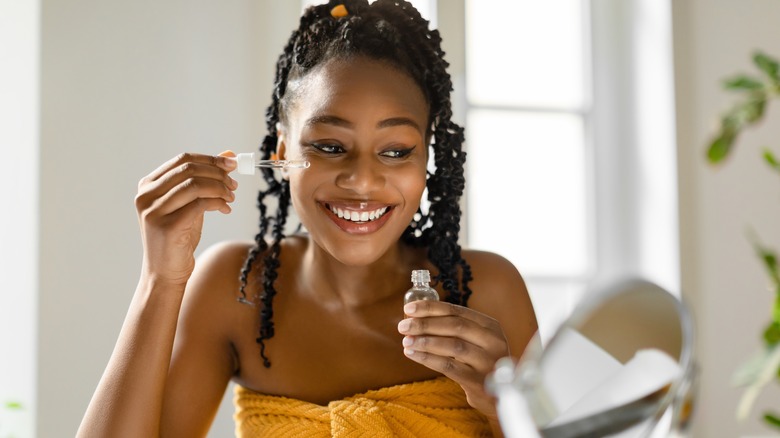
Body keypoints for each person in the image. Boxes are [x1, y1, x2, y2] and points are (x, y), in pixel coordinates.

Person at [78, 0, 537, 436]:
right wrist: (160, 279)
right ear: (280, 153)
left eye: (396, 151)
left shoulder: (487, 291)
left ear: (426, 160)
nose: (361, 181)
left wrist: (503, 405)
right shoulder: (237, 288)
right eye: (330, 147)